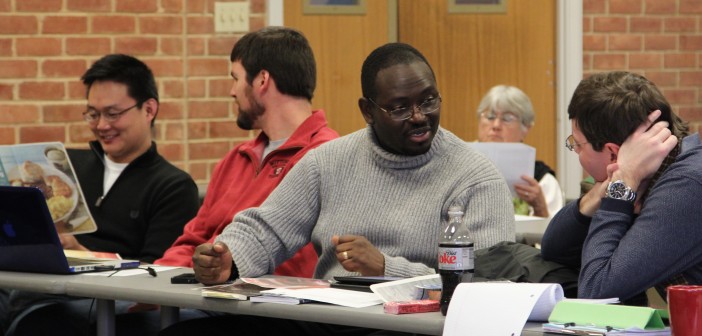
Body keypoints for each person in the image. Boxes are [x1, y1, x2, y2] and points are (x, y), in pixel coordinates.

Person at [159, 42, 514, 335]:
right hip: (329, 320)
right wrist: (228, 258)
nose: (420, 116)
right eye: (400, 108)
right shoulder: (328, 162)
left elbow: (490, 288)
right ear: (368, 111)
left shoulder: (476, 177)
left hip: (416, 327)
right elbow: (266, 229)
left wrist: (385, 268)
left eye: (429, 101)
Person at [116, 26, 339, 335]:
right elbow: (193, 240)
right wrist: (154, 284)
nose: (231, 91)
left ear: (262, 80)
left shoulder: (328, 157)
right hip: (206, 298)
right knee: (90, 316)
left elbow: (294, 263)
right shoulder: (236, 158)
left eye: (235, 78)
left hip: (268, 311)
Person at [4, 54, 200, 336]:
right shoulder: (66, 168)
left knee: (46, 320)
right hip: (30, 284)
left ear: (149, 109)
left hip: (99, 299)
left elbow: (157, 276)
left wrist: (85, 256)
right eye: (93, 114)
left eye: (113, 113)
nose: (101, 125)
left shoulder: (173, 186)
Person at [540, 71, 701, 304]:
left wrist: (622, 186)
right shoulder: (656, 173)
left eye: (577, 144)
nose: (576, 151)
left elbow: (596, 291)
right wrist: (606, 189)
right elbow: (554, 249)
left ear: (613, 153)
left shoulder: (686, 187)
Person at [476, 84, 564, 219]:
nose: (496, 126)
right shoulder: (457, 165)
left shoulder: (543, 181)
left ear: (526, 128)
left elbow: (556, 238)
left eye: (507, 118)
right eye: (490, 116)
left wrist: (540, 207)